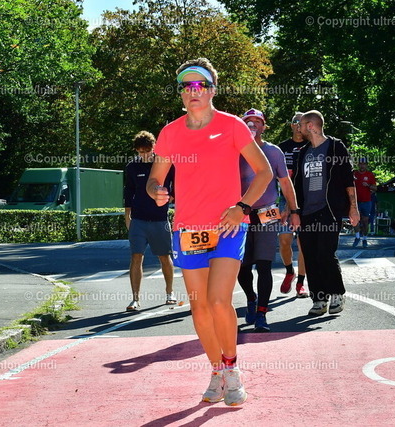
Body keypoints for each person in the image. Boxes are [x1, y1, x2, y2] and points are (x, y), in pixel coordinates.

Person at [147, 58, 272, 406]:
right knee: (199, 307)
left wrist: (242, 207)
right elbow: (154, 179)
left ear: (212, 90)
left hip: (228, 225)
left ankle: (232, 369)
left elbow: (264, 172)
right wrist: (156, 191)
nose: (193, 91)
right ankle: (216, 371)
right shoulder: (170, 133)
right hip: (188, 228)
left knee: (218, 300)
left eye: (199, 84)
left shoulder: (232, 126)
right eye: (185, 86)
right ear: (180, 93)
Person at [237, 108, 301, 333]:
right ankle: (251, 298)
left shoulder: (273, 152)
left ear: (264, 127)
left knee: (264, 265)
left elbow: (285, 183)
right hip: (241, 215)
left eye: (258, 122)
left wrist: (294, 210)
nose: (253, 125)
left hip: (268, 214)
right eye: (248, 121)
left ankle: (262, 314)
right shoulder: (234, 151)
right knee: (242, 266)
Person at [293, 110, 359, 316]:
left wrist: (353, 207)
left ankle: (337, 293)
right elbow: (296, 184)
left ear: (310, 125)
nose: (298, 128)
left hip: (328, 209)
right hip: (306, 212)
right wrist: (293, 211)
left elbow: (348, 179)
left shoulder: (335, 147)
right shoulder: (303, 152)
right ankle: (319, 298)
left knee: (325, 254)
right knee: (310, 255)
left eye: (301, 124)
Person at [124, 131, 176, 311]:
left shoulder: (165, 164)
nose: (144, 155)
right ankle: (135, 299)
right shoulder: (132, 167)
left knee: (164, 257)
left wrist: (172, 197)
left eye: (147, 151)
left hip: (160, 219)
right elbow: (128, 193)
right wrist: (127, 217)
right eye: (140, 152)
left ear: (154, 148)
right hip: (138, 220)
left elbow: (176, 186)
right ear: (136, 151)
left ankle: (170, 293)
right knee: (136, 257)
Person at [277, 112, 309, 297]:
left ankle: (301, 283)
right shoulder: (281, 148)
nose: (298, 125)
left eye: (302, 122)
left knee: (303, 243)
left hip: (306, 200)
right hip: (285, 200)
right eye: (296, 122)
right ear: (291, 125)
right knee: (284, 241)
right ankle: (290, 271)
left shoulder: (311, 146)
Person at [352, 158, 377, 248]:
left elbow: (375, 188)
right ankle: (357, 237)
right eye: (361, 164)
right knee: (355, 220)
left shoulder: (370, 175)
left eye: (364, 164)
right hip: (356, 201)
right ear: (358, 165)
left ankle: (365, 239)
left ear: (366, 165)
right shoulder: (354, 174)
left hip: (366, 201)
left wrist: (368, 185)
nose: (362, 165)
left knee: (365, 221)